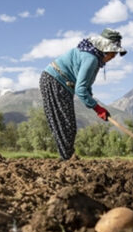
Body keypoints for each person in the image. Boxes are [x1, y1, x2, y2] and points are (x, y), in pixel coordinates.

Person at [39, 28, 127, 159]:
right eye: (113, 53)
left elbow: (85, 85)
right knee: (66, 125)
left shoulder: (93, 56)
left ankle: (67, 158)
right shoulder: (91, 59)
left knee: (68, 125)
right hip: (55, 81)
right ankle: (67, 160)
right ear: (105, 49)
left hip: (59, 82)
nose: (113, 57)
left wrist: (94, 103)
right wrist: (97, 108)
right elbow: (80, 90)